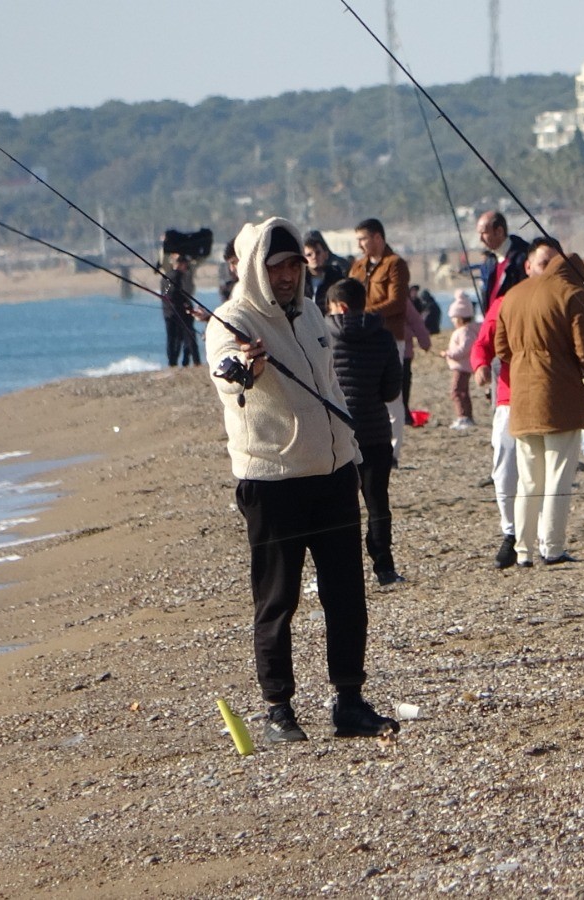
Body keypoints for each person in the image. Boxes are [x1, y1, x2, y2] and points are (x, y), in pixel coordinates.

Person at [203, 218, 398, 743]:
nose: (288, 275)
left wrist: (351, 448)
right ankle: (278, 711)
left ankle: (349, 702)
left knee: (347, 594)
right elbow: (226, 374)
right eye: (276, 267)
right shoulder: (230, 320)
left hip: (333, 473)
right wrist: (246, 368)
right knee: (277, 600)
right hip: (273, 483)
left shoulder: (311, 311)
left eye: (294, 265)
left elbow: (329, 383)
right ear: (254, 269)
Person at [493, 238, 584, 567]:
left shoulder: (513, 295)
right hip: (561, 397)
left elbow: (502, 349)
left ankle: (523, 550)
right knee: (558, 475)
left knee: (529, 478)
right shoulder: (572, 293)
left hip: (522, 398)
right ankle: (552, 547)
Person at [324, 277, 406, 586]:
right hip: (374, 431)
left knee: (338, 507)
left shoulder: (322, 337)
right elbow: (391, 391)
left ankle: (341, 570)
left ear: (341, 307)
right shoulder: (383, 336)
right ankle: (384, 567)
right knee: (377, 503)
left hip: (336, 433)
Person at [470, 210, 533, 569]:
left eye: (484, 231)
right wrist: (480, 363)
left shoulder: (520, 257)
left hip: (537, 389)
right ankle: (511, 533)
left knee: (534, 466)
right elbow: (485, 338)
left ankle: (539, 538)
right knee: (505, 461)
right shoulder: (490, 268)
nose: (480, 238)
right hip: (507, 386)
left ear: (499, 230)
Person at [350, 219, 411, 461]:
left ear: (377, 237)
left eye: (363, 239)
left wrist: (364, 314)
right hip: (361, 339)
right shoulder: (357, 267)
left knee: (392, 396)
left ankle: (392, 452)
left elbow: (397, 302)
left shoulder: (395, 264)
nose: (360, 245)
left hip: (388, 338)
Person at [443, 290, 478, 432]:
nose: (452, 322)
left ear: (460, 318)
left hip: (462, 367)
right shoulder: (465, 330)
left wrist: (449, 354)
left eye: (454, 319)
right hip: (460, 366)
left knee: (457, 391)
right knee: (462, 391)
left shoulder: (465, 331)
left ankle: (464, 416)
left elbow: (465, 348)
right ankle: (465, 416)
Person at [161, 254, 202, 367]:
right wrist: (186, 304)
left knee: (171, 338)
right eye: (185, 265)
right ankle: (189, 361)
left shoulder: (166, 276)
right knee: (184, 337)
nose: (186, 267)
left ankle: (172, 362)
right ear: (180, 264)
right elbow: (175, 293)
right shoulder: (178, 276)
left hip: (167, 312)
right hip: (178, 312)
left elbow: (166, 293)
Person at [303, 231, 347, 306]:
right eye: (309, 255)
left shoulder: (336, 279)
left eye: (318, 253)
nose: (314, 257)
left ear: (326, 255)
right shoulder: (300, 281)